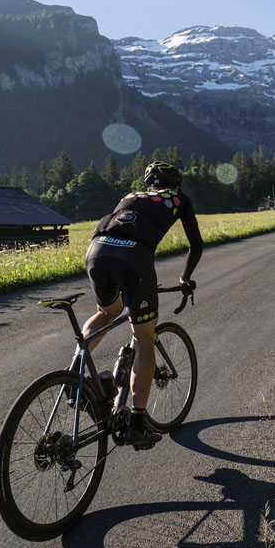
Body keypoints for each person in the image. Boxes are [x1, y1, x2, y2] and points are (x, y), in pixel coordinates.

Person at [80, 161, 203, 449]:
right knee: (144, 339)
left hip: (96, 251)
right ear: (176, 185)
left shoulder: (130, 197)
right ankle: (137, 422)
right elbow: (195, 245)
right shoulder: (179, 199)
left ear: (150, 184)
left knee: (106, 313)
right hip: (133, 258)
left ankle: (75, 381)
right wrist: (185, 278)